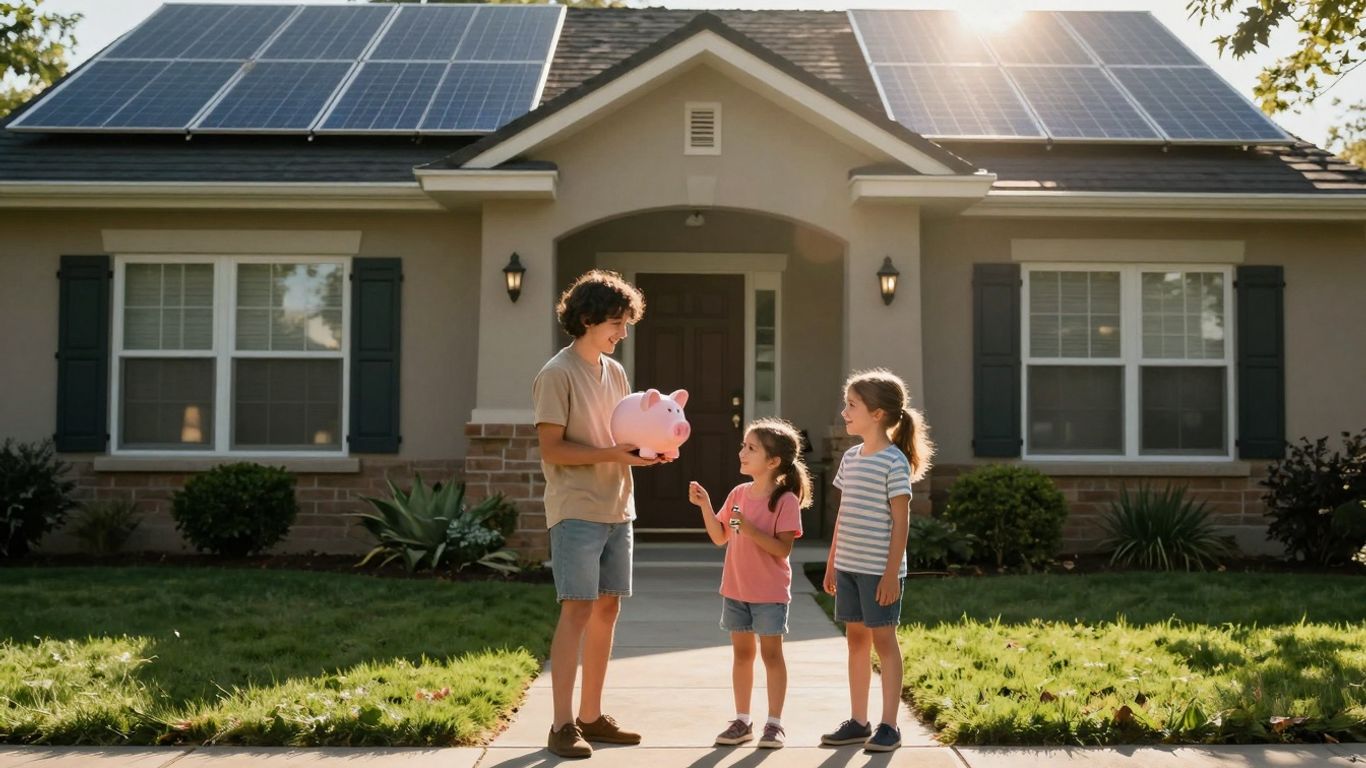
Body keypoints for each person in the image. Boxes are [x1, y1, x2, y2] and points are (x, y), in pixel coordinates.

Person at [533, 270, 665, 759]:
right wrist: (615, 456)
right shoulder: (556, 374)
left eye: (626, 323)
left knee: (608, 608)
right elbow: (552, 450)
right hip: (576, 510)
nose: (622, 333)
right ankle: (562, 724)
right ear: (587, 319)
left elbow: (621, 436)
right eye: (616, 322)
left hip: (617, 506)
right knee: (578, 609)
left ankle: (591, 715)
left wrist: (649, 450)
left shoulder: (616, 373)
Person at [820, 369, 934, 753]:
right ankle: (858, 721)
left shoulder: (893, 462)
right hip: (850, 567)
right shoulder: (851, 458)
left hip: (878, 571)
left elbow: (901, 522)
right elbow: (844, 514)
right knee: (855, 641)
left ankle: (889, 725)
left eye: (852, 406)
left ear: (878, 414)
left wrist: (890, 574)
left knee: (884, 641)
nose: (845, 412)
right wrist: (832, 561)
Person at [688, 418, 811, 751]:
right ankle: (742, 720)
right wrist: (705, 506)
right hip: (736, 590)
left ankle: (774, 724)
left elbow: (782, 549)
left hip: (769, 594)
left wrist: (750, 529)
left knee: (771, 656)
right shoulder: (738, 494)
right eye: (744, 445)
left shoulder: (784, 501)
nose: (742, 452)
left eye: (751, 448)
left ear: (773, 462)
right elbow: (719, 537)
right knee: (742, 655)